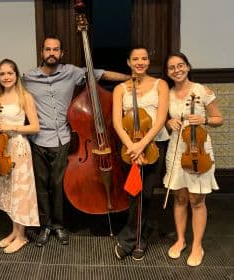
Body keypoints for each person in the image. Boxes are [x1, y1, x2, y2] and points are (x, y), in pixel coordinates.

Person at [22, 35, 131, 247]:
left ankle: (59, 226)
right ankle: (45, 226)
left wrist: (129, 78)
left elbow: (101, 74)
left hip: (63, 139)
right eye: (48, 49)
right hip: (37, 139)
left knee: (59, 185)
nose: (51, 53)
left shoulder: (72, 72)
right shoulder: (27, 78)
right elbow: (6, 91)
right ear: (42, 52)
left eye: (55, 49)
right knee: (42, 186)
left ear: (61, 53)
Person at [163, 52, 223, 267]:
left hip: (199, 150)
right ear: (168, 72)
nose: (176, 70)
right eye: (171, 67)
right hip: (177, 149)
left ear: (188, 67)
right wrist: (169, 122)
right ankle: (180, 240)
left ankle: (197, 244)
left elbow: (219, 119)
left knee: (197, 200)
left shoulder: (202, 90)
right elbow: (162, 120)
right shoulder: (167, 93)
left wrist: (205, 118)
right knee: (179, 197)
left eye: (180, 65)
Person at [112, 45, 169, 260]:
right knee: (133, 193)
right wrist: (132, 146)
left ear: (148, 61)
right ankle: (134, 237)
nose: (140, 62)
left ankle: (136, 238)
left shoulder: (160, 85)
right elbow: (117, 122)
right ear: (128, 62)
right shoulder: (120, 89)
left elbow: (161, 118)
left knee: (146, 193)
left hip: (154, 144)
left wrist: (143, 144)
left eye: (144, 58)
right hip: (129, 146)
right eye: (135, 59)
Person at [0, 58, 40, 253]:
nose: (6, 77)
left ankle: (22, 236)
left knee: (20, 192)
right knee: (7, 190)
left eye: (10, 73)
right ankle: (14, 230)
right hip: (2, 148)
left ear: (16, 75)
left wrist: (10, 126)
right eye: (2, 74)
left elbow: (35, 127)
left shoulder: (25, 96)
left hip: (18, 146)